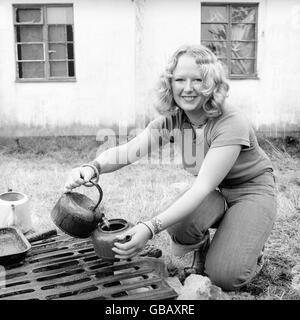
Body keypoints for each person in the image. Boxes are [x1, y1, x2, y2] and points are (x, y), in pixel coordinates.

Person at [64, 45, 277, 291]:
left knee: (224, 277)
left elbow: (201, 188)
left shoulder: (231, 121)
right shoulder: (173, 120)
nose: (188, 88)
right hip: (216, 191)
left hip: (251, 191)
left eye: (198, 79)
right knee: (178, 222)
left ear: (211, 83)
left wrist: (149, 227)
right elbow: (127, 151)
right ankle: (205, 249)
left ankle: (251, 251)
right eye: (179, 80)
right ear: (170, 83)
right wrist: (92, 167)